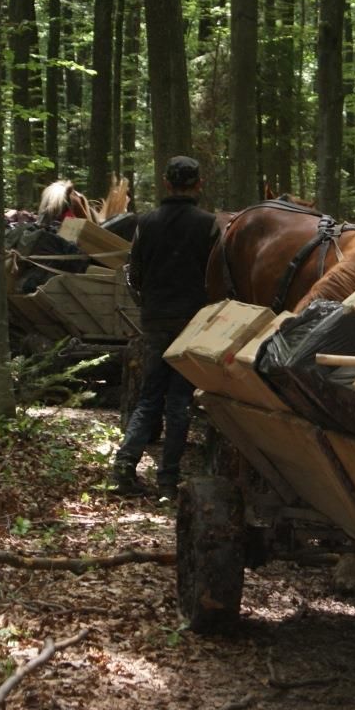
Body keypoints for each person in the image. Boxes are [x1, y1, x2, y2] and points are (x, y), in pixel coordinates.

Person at [109, 156, 220, 500]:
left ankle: (124, 466)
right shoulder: (209, 225)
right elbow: (216, 277)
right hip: (191, 322)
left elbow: (136, 272)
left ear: (166, 183)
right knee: (180, 401)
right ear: (199, 183)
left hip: (155, 319)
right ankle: (168, 481)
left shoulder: (146, 221)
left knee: (150, 398)